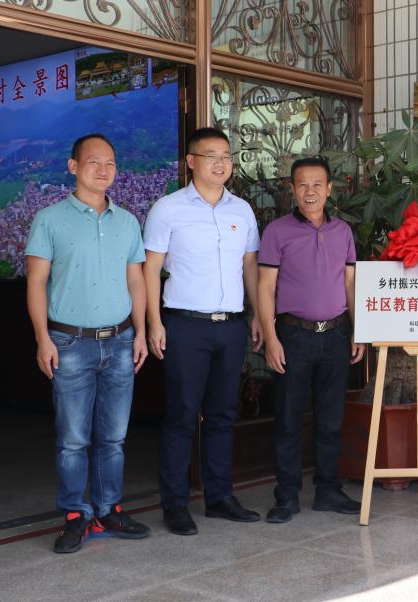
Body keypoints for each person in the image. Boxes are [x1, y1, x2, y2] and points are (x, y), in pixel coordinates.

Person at [25, 134, 150, 554]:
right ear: (73, 166)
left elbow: (136, 280)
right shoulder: (49, 219)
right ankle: (76, 515)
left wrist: (141, 332)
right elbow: (37, 282)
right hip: (69, 342)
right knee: (73, 439)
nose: (103, 170)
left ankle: (109, 509)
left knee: (113, 437)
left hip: (120, 341)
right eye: (94, 162)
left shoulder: (127, 221)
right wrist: (42, 338)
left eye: (110, 163)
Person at [143, 127, 264, 535]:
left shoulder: (242, 211)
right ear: (191, 161)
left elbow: (250, 267)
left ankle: (219, 497)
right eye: (211, 155)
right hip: (184, 325)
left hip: (230, 326)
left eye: (227, 156)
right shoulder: (167, 209)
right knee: (181, 415)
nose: (221, 163)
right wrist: (154, 322)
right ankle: (175, 504)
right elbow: (150, 270)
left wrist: (257, 315)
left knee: (222, 415)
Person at [257, 156, 365, 524]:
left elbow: (350, 282)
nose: (310, 191)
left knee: (331, 420)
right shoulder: (277, 231)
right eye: (302, 184)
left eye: (317, 184)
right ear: (292, 189)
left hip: (335, 335)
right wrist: (271, 338)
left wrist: (359, 329)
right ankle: (286, 495)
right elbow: (265, 286)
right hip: (293, 335)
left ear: (330, 189)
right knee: (288, 419)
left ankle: (328, 490)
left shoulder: (343, 232)